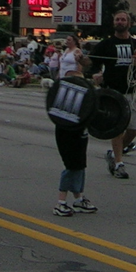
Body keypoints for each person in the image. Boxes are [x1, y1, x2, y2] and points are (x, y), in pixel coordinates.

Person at [87, 10, 136, 179]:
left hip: (132, 92)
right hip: (113, 94)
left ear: (129, 23)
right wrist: (82, 61)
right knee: (118, 128)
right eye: (117, 19)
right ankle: (119, 164)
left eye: (123, 20)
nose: (120, 22)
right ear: (113, 23)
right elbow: (91, 61)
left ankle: (114, 154)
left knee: (133, 130)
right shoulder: (106, 44)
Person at [52, 52, 98, 217]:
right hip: (67, 133)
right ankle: (61, 202)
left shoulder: (86, 95)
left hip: (81, 133)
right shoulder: (64, 98)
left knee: (80, 165)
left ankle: (78, 199)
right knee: (71, 165)